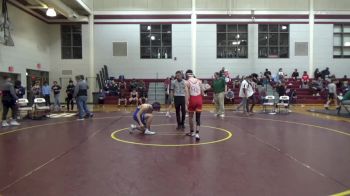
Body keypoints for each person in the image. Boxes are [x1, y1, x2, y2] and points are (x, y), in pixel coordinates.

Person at [185, 69, 202, 140]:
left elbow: (187, 93)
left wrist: (186, 103)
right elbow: (203, 92)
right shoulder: (199, 80)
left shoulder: (187, 82)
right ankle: (197, 134)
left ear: (187, 75)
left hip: (192, 99)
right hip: (199, 99)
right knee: (198, 117)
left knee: (190, 117)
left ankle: (192, 132)